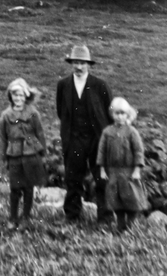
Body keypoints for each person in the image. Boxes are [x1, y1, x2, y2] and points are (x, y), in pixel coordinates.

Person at [55, 44, 113, 224]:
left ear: (89, 64)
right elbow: (61, 112)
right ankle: (72, 215)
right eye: (76, 62)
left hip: (97, 139)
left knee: (102, 178)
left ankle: (105, 217)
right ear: (71, 63)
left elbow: (109, 113)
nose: (79, 67)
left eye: (82, 63)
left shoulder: (100, 85)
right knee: (73, 178)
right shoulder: (63, 85)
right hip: (74, 139)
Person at [0, 77, 48, 229]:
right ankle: (13, 217)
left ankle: (25, 217)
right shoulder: (5, 116)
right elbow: (1, 138)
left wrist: (42, 153)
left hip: (31, 153)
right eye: (15, 95)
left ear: (26, 96)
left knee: (28, 187)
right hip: (14, 154)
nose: (18, 98)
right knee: (15, 187)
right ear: (10, 96)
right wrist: (3, 158)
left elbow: (40, 132)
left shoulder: (33, 113)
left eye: (21, 95)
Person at [98, 97, 148, 232]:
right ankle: (120, 226)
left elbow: (138, 151)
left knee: (132, 199)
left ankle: (131, 225)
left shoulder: (132, 132)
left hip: (129, 171)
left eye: (122, 114)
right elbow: (101, 152)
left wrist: (137, 170)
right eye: (116, 113)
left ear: (127, 114)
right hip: (113, 171)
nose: (120, 117)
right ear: (112, 114)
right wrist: (103, 169)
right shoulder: (107, 132)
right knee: (116, 199)